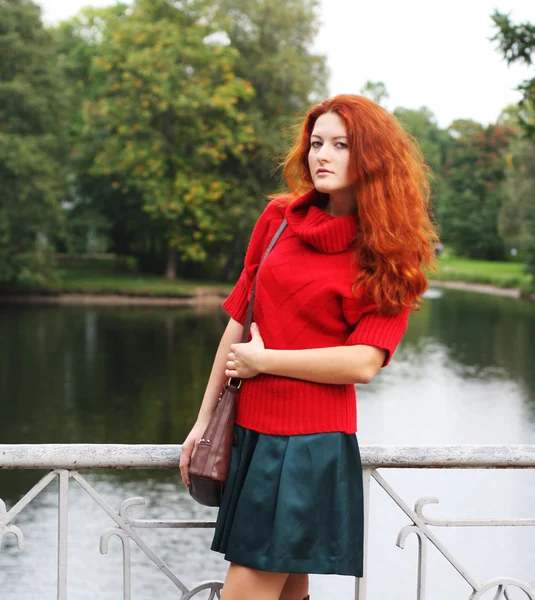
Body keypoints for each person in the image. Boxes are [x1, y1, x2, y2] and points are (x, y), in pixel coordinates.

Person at [179, 94, 438, 600]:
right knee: (289, 592)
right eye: (317, 142)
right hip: (251, 434)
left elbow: (364, 362)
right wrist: (202, 422)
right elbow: (237, 324)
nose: (322, 155)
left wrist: (265, 362)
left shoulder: (390, 253)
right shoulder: (277, 219)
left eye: (341, 145)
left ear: (372, 158)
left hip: (307, 447)